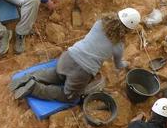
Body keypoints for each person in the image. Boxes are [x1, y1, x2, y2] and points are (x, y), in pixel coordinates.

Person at [8, 8, 141, 102]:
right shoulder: (118, 45)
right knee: (70, 97)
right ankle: (35, 89)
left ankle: (28, 77)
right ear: (127, 30)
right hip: (82, 71)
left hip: (68, 56)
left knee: (57, 75)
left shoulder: (100, 23)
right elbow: (118, 65)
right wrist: (126, 64)